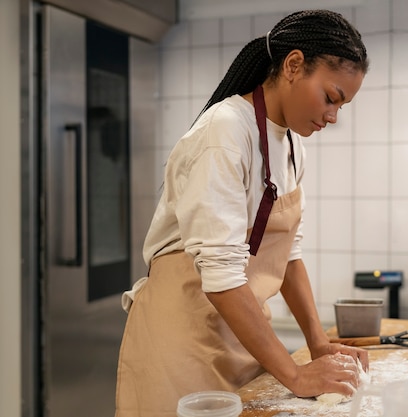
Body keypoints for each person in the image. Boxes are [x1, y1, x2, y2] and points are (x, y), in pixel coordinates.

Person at [115, 9, 370, 416]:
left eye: (342, 106)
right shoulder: (225, 131)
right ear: (293, 65)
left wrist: (318, 341)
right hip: (181, 343)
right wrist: (297, 375)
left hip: (239, 338)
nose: (332, 116)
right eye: (330, 97)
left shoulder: (290, 145)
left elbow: (288, 256)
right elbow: (221, 279)